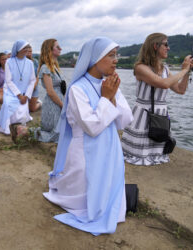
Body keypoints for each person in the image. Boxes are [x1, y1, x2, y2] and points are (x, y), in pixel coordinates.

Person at [43, 37, 133, 235]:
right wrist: (105, 97)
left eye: (116, 55)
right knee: (85, 191)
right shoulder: (77, 89)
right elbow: (91, 126)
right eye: (111, 55)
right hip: (84, 149)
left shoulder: (110, 83)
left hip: (110, 146)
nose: (116, 60)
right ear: (94, 58)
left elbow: (125, 121)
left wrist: (112, 97)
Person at [121, 33, 193, 166]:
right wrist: (184, 69)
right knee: (138, 155)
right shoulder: (141, 67)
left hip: (160, 113)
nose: (168, 48)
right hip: (144, 113)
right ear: (155, 46)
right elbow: (163, 83)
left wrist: (188, 71)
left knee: (156, 154)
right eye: (166, 44)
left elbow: (180, 90)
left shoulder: (165, 69)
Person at [0, 40, 35, 135]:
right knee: (8, 104)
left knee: (23, 107)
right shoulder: (9, 62)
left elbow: (32, 80)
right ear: (18, 49)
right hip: (11, 92)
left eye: (27, 48)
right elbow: (8, 81)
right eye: (24, 48)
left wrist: (27, 95)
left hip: (24, 93)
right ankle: (7, 127)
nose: (27, 50)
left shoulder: (30, 63)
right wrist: (19, 95)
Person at [36, 39, 64, 142]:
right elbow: (50, 92)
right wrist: (62, 105)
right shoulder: (45, 68)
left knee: (62, 132)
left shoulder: (54, 67)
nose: (60, 48)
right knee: (57, 134)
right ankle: (30, 132)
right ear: (50, 50)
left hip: (58, 101)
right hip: (53, 103)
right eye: (57, 47)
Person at [26, 45, 41, 112]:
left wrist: (33, 86)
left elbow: (38, 75)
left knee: (32, 109)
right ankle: (31, 101)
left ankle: (40, 103)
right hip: (25, 87)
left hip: (34, 86)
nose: (29, 53)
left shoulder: (35, 62)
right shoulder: (23, 62)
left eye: (31, 51)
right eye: (28, 51)